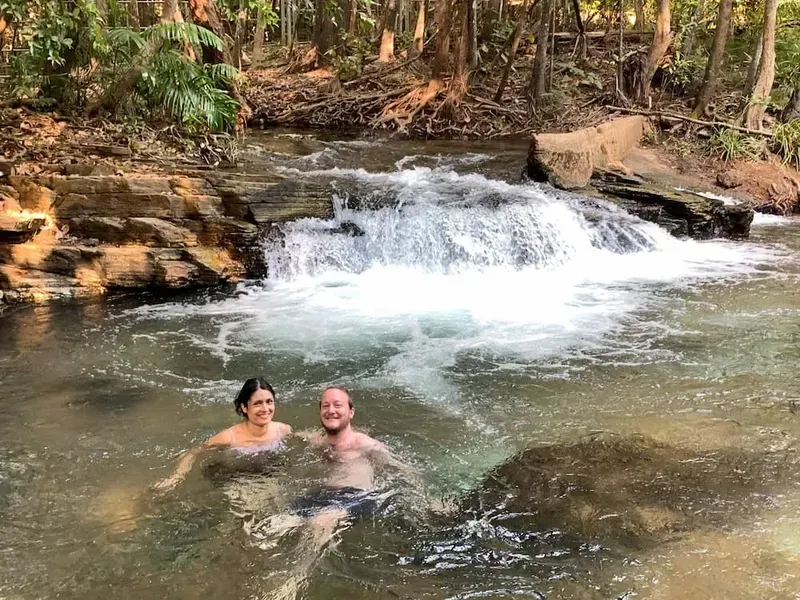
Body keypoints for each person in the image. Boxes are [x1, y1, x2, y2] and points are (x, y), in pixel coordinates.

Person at [155, 378, 291, 491]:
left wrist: (310, 438)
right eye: (258, 404)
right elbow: (194, 451)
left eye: (269, 402)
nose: (265, 409)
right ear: (244, 407)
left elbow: (298, 436)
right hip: (234, 479)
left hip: (268, 476)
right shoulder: (228, 437)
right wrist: (177, 476)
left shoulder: (282, 430)